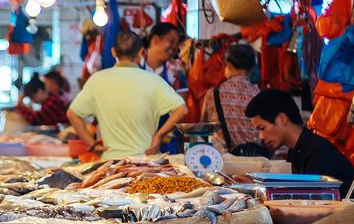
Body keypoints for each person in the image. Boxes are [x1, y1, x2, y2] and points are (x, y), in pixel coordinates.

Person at [67, 30, 188, 159]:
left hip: (110, 165)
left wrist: (91, 144)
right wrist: (159, 136)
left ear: (113, 52)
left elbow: (72, 114)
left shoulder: (97, 80)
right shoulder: (153, 80)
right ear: (141, 53)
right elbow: (182, 109)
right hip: (145, 163)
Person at [245, 89, 354, 195]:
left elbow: (311, 202)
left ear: (282, 118)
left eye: (262, 128)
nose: (261, 136)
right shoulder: (299, 150)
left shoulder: (317, 153)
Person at [201, 42, 266, 156]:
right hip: (257, 160)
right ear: (251, 68)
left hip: (224, 161)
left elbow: (203, 129)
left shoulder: (213, 94)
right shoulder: (260, 95)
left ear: (229, 66)